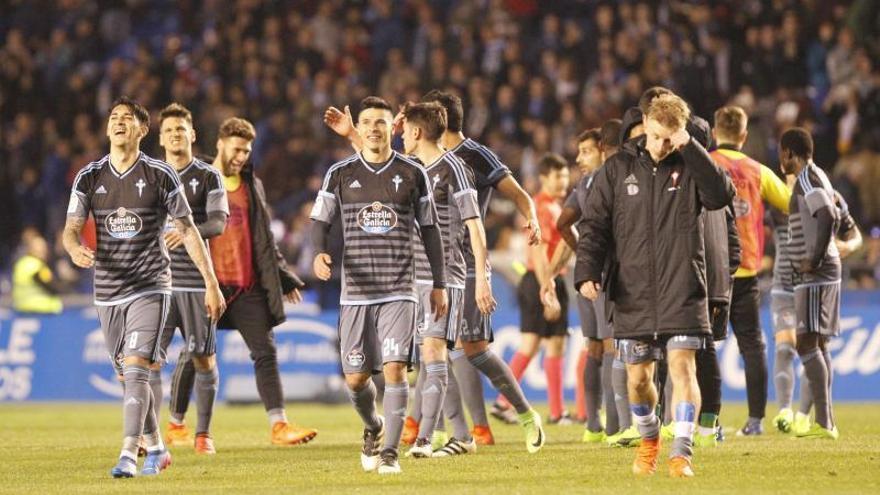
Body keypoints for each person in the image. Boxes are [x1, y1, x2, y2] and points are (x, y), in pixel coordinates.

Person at [63, 96, 226, 477]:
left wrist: (210, 282)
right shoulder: (88, 177)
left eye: (128, 118)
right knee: (126, 376)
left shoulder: (160, 175)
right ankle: (156, 446)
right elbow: (70, 231)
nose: (119, 122)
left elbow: (188, 231)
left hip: (151, 285)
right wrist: (74, 250)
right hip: (107, 290)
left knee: (138, 368)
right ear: (107, 129)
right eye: (114, 118)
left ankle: (126, 453)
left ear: (141, 129)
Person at [575, 94, 735, 478]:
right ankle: (650, 441)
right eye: (659, 136)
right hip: (634, 291)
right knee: (638, 379)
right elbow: (594, 226)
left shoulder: (691, 165)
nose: (664, 145)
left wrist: (691, 147)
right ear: (646, 124)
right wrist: (587, 273)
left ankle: (682, 452)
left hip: (682, 287)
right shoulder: (616, 170)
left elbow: (720, 195)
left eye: (671, 138)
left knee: (683, 369)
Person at [311, 96, 450, 475]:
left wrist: (438, 283)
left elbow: (431, 231)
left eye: (381, 122)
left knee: (394, 371)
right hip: (355, 291)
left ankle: (390, 453)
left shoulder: (412, 173)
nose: (374, 128)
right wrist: (320, 252)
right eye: (367, 122)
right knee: (356, 379)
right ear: (362, 127)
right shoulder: (339, 173)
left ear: (395, 127)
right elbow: (320, 221)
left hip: (399, 289)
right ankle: (374, 427)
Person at [164, 117, 318, 447]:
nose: (242, 157)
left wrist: (283, 276)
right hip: (207, 284)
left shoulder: (251, 186)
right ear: (220, 143)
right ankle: (176, 425)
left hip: (246, 286)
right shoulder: (198, 178)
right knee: (194, 355)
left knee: (265, 353)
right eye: (237, 149)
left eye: (247, 151)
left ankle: (279, 425)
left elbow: (263, 239)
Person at [397, 102, 496, 458]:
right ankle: (459, 434)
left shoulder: (454, 168)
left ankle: (428, 438)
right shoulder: (410, 168)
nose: (401, 136)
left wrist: (482, 278)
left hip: (446, 277)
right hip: (414, 277)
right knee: (430, 357)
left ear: (417, 132)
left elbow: (475, 226)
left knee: (436, 351)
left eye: (405, 130)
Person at [551, 122, 640, 445]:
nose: (579, 158)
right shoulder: (608, 179)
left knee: (594, 346)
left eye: (586, 151)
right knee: (610, 345)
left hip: (587, 273)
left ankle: (592, 424)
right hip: (608, 274)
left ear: (603, 149)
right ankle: (615, 427)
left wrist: (584, 256)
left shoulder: (586, 184)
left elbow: (564, 224)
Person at [709, 105, 791, 436]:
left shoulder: (704, 164)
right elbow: (789, 201)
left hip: (710, 273)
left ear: (715, 133)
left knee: (701, 346)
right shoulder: (758, 171)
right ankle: (755, 420)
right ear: (743, 136)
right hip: (746, 271)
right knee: (753, 346)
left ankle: (706, 420)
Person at [153, 103, 228, 454]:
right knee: (150, 360)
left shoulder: (208, 176)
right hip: (157, 283)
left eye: (180, 130)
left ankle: (203, 434)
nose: (174, 135)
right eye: (168, 130)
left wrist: (186, 232)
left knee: (203, 358)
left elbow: (218, 223)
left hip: (197, 282)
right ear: (161, 137)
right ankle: (148, 436)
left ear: (192, 135)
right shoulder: (149, 175)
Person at [778, 127, 841, 440]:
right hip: (819, 270)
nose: (781, 161)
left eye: (782, 154)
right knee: (818, 344)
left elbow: (828, 214)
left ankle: (824, 423)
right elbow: (837, 214)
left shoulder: (806, 178)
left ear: (790, 153)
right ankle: (825, 421)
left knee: (805, 343)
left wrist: (814, 258)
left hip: (816, 273)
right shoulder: (820, 176)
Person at [501, 153, 570, 424]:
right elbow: (540, 252)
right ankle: (503, 400)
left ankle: (556, 411)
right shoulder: (543, 208)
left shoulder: (551, 206)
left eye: (565, 176)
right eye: (557, 177)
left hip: (544, 278)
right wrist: (548, 286)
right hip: (543, 278)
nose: (563, 182)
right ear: (544, 178)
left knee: (555, 345)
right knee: (532, 345)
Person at [12, 230, 63, 314]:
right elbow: (50, 286)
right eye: (40, 248)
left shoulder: (21, 263)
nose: (44, 251)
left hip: (21, 307)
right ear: (31, 249)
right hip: (40, 309)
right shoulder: (37, 266)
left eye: (44, 248)